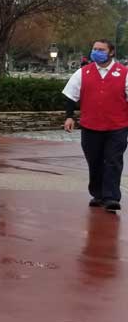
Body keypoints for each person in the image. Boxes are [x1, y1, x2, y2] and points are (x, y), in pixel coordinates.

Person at [62, 39, 128, 212]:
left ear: (111, 52)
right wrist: (69, 117)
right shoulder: (83, 72)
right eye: (94, 49)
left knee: (113, 160)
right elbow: (71, 96)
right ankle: (98, 194)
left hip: (117, 126)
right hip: (91, 125)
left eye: (101, 49)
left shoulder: (124, 73)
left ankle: (111, 197)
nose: (96, 52)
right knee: (95, 160)